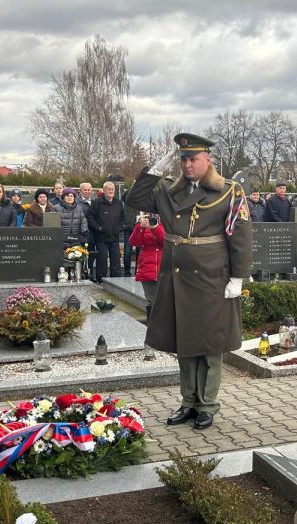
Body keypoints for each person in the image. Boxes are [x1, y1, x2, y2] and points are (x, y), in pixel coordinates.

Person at [124, 133, 251, 431]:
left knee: (209, 344)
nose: (187, 164)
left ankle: (207, 404)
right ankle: (188, 402)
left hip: (211, 277)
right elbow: (133, 200)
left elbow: (241, 235)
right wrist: (154, 170)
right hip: (177, 275)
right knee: (185, 344)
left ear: (208, 160)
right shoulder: (168, 190)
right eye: (182, 159)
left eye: (193, 159)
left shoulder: (228, 191)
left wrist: (237, 277)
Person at [129, 212, 165, 323]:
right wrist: (140, 226)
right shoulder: (143, 224)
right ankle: (151, 328)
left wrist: (155, 227)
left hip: (163, 267)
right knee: (150, 300)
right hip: (147, 267)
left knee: (164, 301)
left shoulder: (166, 222)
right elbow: (134, 242)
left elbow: (165, 241)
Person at [88, 180, 125, 281]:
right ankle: (101, 280)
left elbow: (122, 217)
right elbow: (90, 217)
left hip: (114, 237)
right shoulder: (97, 202)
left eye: (112, 189)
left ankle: (116, 280)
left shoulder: (118, 202)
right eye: (108, 189)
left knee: (116, 260)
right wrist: (98, 228)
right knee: (102, 260)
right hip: (101, 237)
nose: (111, 191)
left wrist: (120, 228)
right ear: (104, 190)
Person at [55, 187, 89, 276]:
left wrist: (84, 232)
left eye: (71, 196)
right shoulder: (56, 208)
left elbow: (83, 220)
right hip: (61, 239)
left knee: (76, 258)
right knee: (62, 261)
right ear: (63, 198)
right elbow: (54, 224)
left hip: (75, 238)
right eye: (67, 196)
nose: (70, 198)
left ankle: (77, 275)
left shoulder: (78, 208)